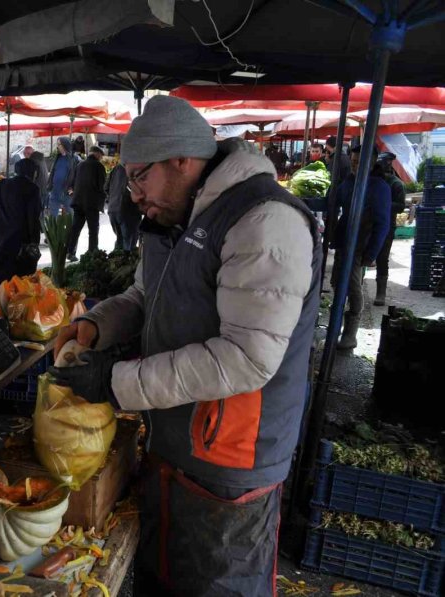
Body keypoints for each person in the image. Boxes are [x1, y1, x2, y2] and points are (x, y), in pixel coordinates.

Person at [49, 96, 320, 596]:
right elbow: (146, 294)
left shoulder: (264, 222)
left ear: (181, 161)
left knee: (215, 584)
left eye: (138, 177)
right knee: (163, 576)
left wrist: (115, 382)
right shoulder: (172, 215)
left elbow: (247, 359)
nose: (132, 195)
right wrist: (95, 326)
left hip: (230, 462)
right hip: (174, 441)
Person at [331, 143, 391, 349]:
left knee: (353, 288)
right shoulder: (349, 181)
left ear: (372, 162)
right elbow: (336, 200)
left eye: (359, 162)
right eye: (353, 162)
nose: (355, 166)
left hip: (360, 245)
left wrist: (371, 254)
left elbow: (383, 223)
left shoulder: (378, 186)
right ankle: (334, 327)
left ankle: (350, 334)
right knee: (337, 283)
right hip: (343, 242)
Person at [0, 159, 42, 291]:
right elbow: (32, 216)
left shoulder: (4, 183)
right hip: (19, 232)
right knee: (16, 267)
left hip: (0, 228)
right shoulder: (32, 188)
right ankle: (11, 294)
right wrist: (34, 239)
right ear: (33, 172)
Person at [373, 152, 407, 306]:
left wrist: (384, 204)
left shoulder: (396, 184)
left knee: (382, 258)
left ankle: (381, 292)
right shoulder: (372, 181)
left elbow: (400, 206)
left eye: (385, 163)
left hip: (386, 225)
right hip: (369, 223)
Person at [66, 146, 106, 261]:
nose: (101, 158)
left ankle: (70, 252)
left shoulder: (80, 165)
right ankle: (92, 253)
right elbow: (101, 186)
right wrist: (101, 203)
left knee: (76, 228)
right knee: (93, 230)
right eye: (101, 156)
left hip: (78, 202)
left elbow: (72, 182)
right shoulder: (99, 166)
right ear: (97, 154)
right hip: (91, 203)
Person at [104, 163, 141, 251]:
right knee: (128, 242)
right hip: (128, 210)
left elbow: (106, 187)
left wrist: (113, 197)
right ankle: (125, 260)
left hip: (113, 209)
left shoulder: (116, 168)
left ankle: (116, 261)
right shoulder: (136, 167)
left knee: (120, 239)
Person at [46, 137, 80, 217]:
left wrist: (73, 188)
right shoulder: (58, 158)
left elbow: (79, 176)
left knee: (72, 217)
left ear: (65, 145)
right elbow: (53, 173)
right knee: (52, 218)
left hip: (67, 193)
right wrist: (49, 186)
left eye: (59, 144)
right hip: (55, 192)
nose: (57, 146)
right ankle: (54, 230)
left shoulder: (74, 159)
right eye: (57, 144)